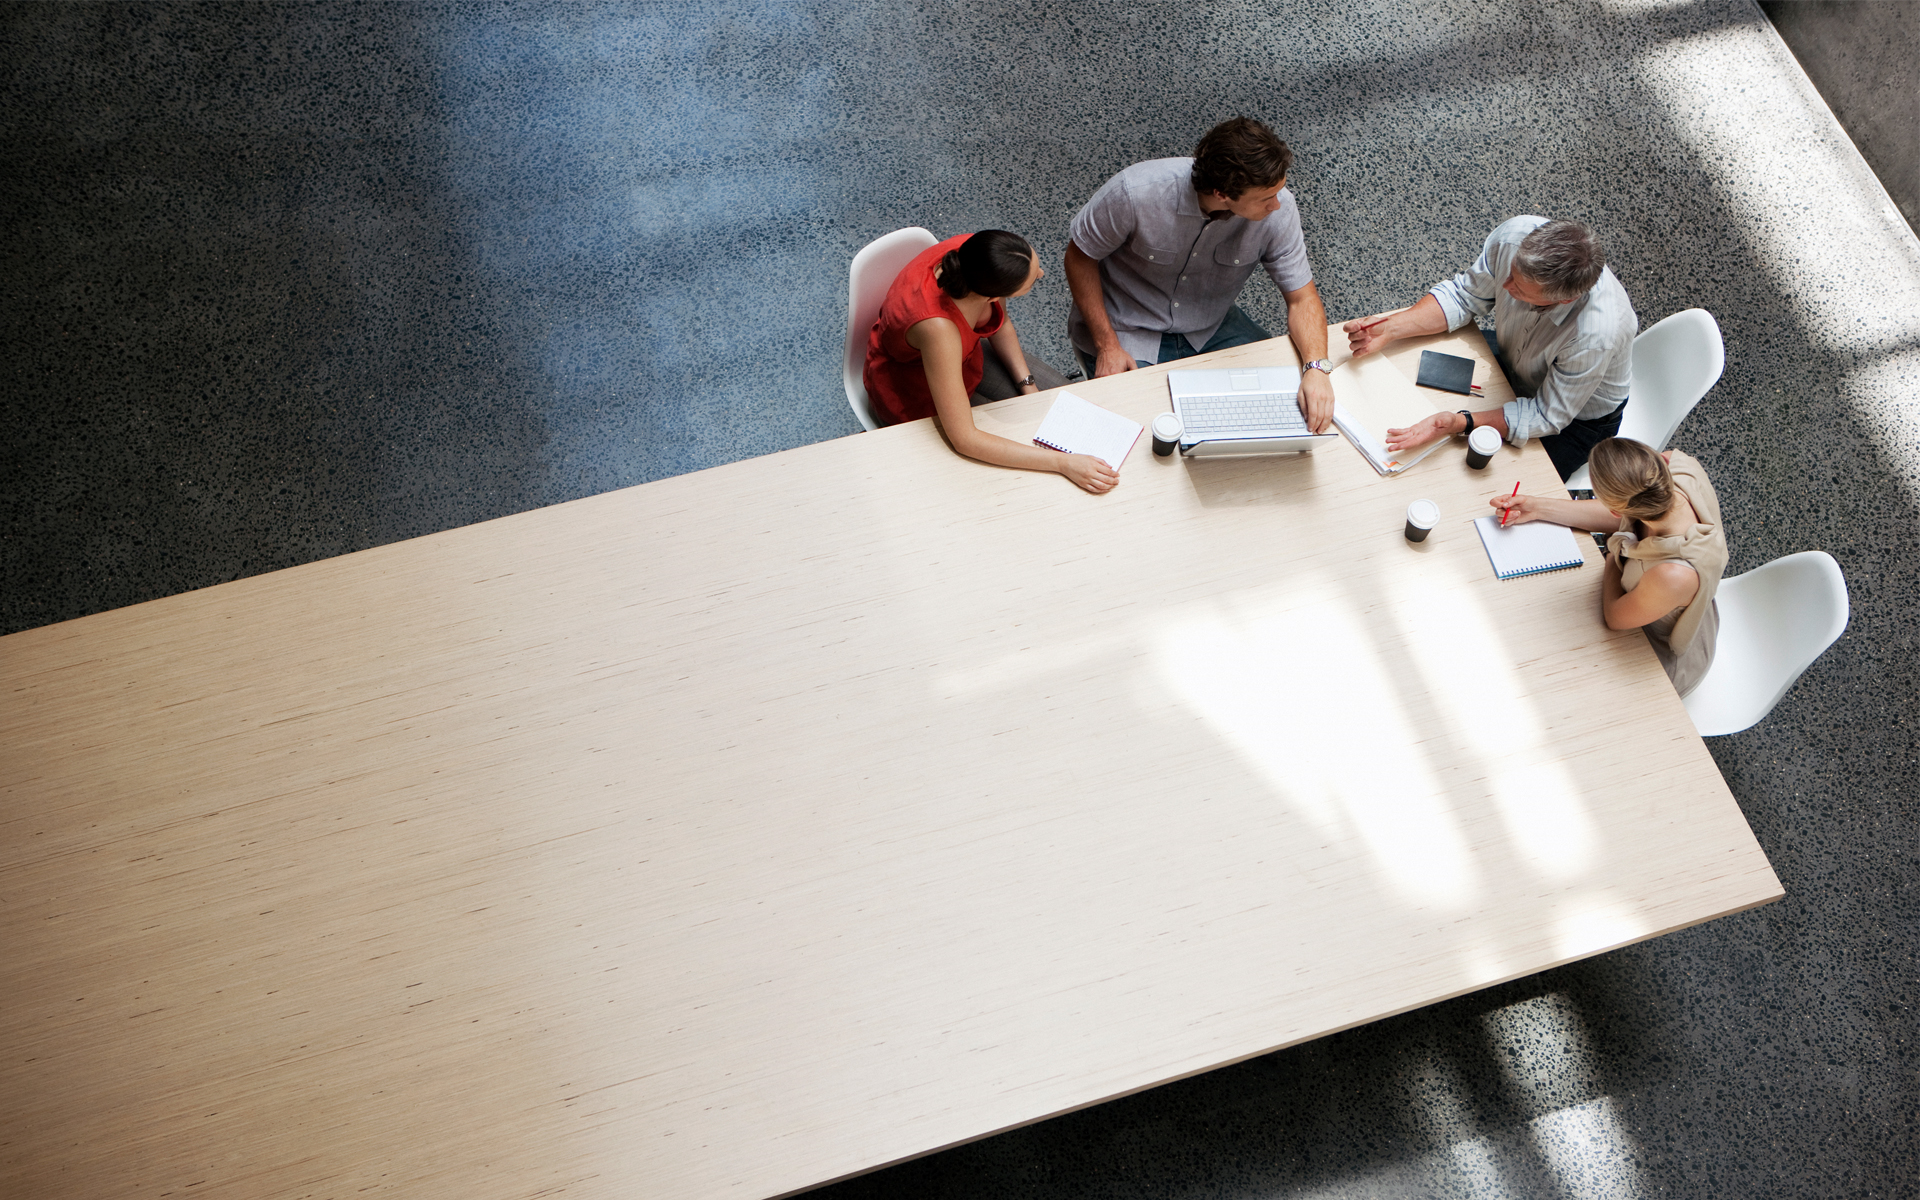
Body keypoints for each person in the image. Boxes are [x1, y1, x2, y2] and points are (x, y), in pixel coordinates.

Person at [1063, 116, 1335, 432]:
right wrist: (1107, 346)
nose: (1277, 205)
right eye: (1265, 198)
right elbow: (1079, 258)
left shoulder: (1280, 208)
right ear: (1222, 193)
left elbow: (1302, 298)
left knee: (1288, 394)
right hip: (1128, 327)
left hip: (1210, 325)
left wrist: (1317, 369)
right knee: (1136, 428)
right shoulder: (1133, 193)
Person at [1344, 216, 1637, 480]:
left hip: (1573, 419)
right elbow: (1464, 296)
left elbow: (1547, 415)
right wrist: (1392, 327)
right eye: (1510, 273)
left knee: (1479, 481)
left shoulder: (1597, 334)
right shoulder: (1514, 236)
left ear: (1563, 301)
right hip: (1516, 359)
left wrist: (1461, 422)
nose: (1505, 285)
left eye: (1519, 290)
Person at [864, 230, 1114, 493]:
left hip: (964, 355)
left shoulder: (979, 255)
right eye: (1032, 282)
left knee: (1054, 406)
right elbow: (965, 439)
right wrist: (1063, 463)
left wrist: (1028, 387)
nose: (1041, 275)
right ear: (991, 296)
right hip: (915, 389)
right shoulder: (938, 328)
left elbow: (1000, 322)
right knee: (1014, 477)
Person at [1491, 438, 1727, 696]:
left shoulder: (1673, 574)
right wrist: (1536, 508)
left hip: (1656, 652)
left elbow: (1615, 617)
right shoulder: (1671, 465)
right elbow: (1631, 513)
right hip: (1655, 601)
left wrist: (1613, 556)